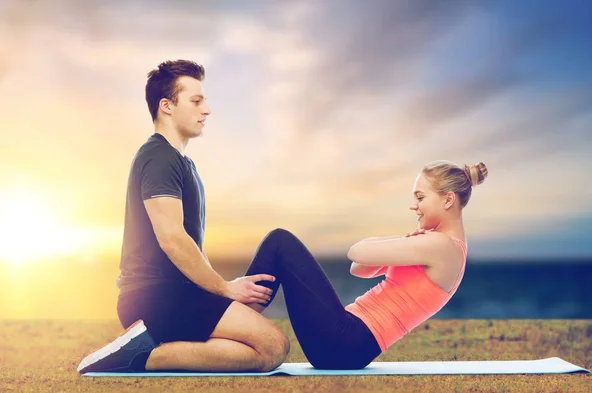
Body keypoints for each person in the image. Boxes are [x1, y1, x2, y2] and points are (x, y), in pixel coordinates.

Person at [77, 60, 290, 374]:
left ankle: (149, 347)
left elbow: (187, 245)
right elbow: (172, 239)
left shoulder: (182, 163)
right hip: (154, 297)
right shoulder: (158, 156)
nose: (207, 110)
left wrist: (223, 287)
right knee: (272, 347)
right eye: (196, 100)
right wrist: (224, 288)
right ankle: (138, 356)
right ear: (167, 106)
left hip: (177, 293)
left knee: (263, 327)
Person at [230, 160, 488, 369]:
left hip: (345, 340)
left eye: (420, 197)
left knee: (280, 242)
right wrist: (403, 242)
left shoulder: (441, 246)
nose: (414, 206)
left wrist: (401, 241)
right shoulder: (439, 246)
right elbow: (360, 268)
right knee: (280, 243)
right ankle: (235, 324)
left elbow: (356, 251)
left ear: (448, 200)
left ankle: (232, 324)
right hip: (347, 342)